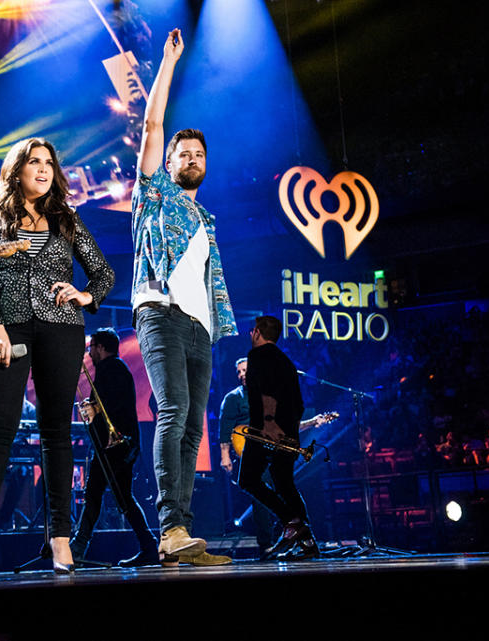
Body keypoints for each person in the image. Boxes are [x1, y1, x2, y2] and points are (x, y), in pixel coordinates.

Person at [0, 137, 114, 577]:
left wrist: (84, 295)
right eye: (35, 162)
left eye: (49, 162)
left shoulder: (67, 219)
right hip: (7, 332)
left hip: (61, 329)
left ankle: (61, 541)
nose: (44, 169)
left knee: (56, 433)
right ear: (18, 169)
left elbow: (103, 272)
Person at [132, 28, 237, 566]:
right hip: (161, 312)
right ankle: (169, 527)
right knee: (172, 410)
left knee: (195, 426)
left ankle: (184, 536)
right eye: (182, 152)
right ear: (168, 163)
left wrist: (214, 325)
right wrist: (168, 62)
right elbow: (152, 124)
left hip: (202, 325)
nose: (191, 158)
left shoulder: (207, 220)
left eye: (198, 154)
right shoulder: (154, 194)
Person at [69, 328, 158, 567]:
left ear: (100, 347)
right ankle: (149, 546)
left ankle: (78, 546)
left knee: (94, 493)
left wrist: (96, 408)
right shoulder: (111, 369)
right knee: (122, 497)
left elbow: (116, 404)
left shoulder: (114, 368)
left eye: (91, 347)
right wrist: (94, 406)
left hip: (117, 444)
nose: (89, 352)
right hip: (119, 444)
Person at [238, 315, 319, 560]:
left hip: (266, 429)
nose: (250, 334)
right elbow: (298, 402)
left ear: (258, 333)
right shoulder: (286, 360)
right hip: (287, 430)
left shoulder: (257, 356)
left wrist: (270, 423)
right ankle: (307, 543)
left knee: (248, 479)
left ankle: (291, 522)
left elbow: (266, 390)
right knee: (284, 482)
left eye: (252, 330)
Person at [219, 357, 276, 557]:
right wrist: (225, 455)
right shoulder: (233, 398)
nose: (242, 374)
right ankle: (266, 544)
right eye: (239, 371)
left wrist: (311, 422)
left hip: (271, 450)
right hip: (248, 452)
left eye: (245, 370)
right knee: (261, 496)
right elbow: (224, 428)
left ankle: (285, 538)